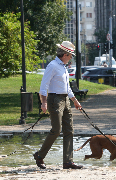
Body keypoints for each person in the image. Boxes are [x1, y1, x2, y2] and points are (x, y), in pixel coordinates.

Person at [33, 41, 83, 169]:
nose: (71, 57)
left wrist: (75, 101)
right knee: (56, 130)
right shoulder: (53, 66)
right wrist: (44, 103)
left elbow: (67, 87)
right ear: (65, 54)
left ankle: (68, 161)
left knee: (69, 130)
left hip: (65, 99)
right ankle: (39, 156)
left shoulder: (63, 67)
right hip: (54, 100)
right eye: (70, 55)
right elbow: (44, 86)